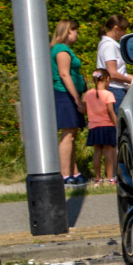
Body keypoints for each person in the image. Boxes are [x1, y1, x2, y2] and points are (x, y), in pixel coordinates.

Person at [50, 18, 86, 185]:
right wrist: (77, 99)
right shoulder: (62, 49)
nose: (77, 34)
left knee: (71, 135)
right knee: (67, 135)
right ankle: (65, 175)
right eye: (75, 30)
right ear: (68, 31)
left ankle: (74, 171)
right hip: (65, 95)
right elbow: (64, 74)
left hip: (68, 95)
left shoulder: (62, 49)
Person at [83, 69, 117, 183]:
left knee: (97, 152)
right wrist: (116, 124)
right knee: (108, 152)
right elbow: (110, 111)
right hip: (107, 125)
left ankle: (97, 178)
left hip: (93, 127)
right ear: (107, 79)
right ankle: (110, 177)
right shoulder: (108, 94)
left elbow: (84, 109)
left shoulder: (88, 94)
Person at [96, 14, 132, 109]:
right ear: (116, 29)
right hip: (115, 90)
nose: (125, 33)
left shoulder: (107, 44)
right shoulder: (110, 46)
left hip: (115, 89)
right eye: (123, 30)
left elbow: (120, 72)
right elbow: (112, 73)